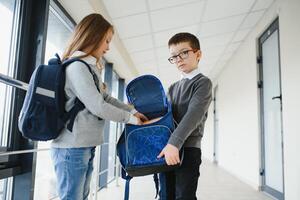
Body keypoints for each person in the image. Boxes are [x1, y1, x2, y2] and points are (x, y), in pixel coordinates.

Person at [50, 13, 147, 200]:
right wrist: (131, 120)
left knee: (81, 196)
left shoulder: (89, 67)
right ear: (93, 37)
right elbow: (98, 106)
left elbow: (106, 99)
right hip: (72, 147)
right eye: (106, 41)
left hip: (84, 144)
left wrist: (133, 111)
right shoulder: (76, 67)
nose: (108, 47)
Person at [157, 32, 212, 200]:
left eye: (184, 52)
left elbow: (193, 114)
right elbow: (164, 116)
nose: (179, 58)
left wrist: (174, 143)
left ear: (198, 54)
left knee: (184, 196)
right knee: (166, 195)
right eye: (174, 56)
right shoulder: (172, 88)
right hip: (168, 150)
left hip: (188, 149)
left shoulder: (203, 83)